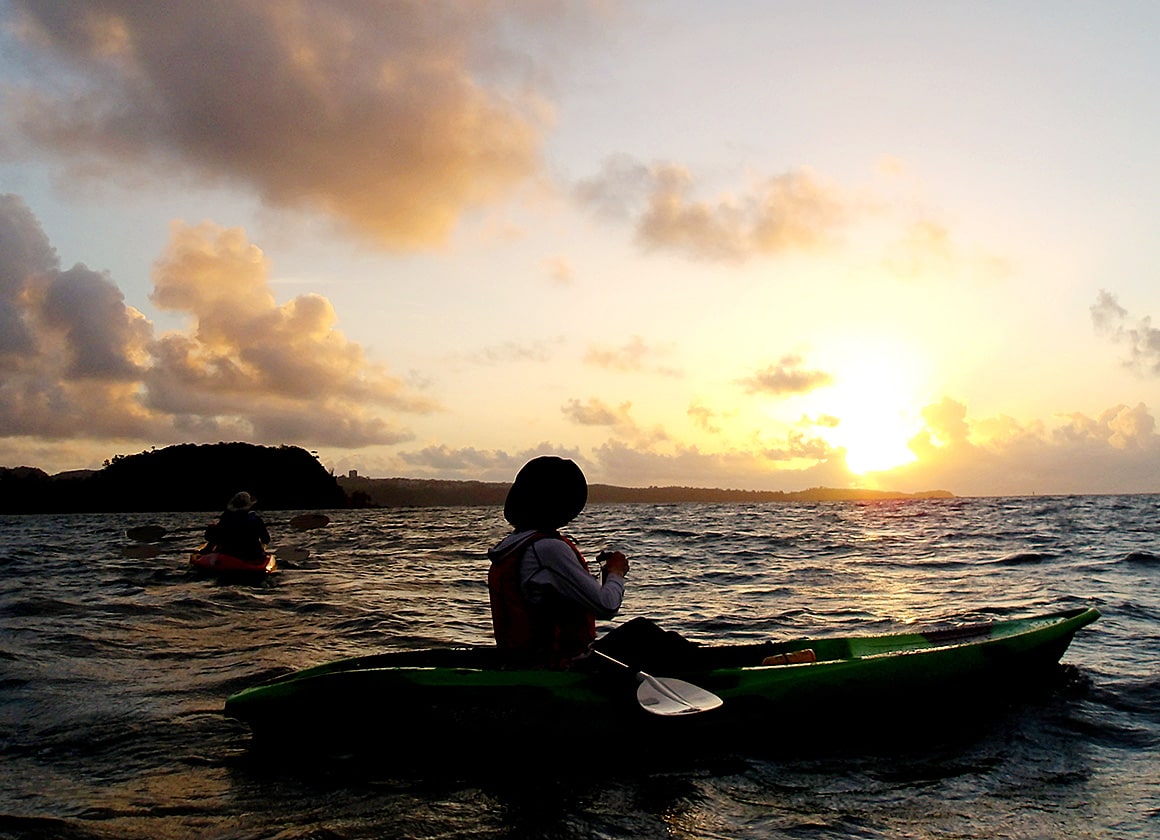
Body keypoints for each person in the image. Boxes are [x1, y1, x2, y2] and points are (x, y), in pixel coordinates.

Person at [488, 456, 629, 669]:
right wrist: (616, 573)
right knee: (644, 633)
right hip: (560, 664)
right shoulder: (548, 548)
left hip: (523, 661)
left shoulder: (513, 544)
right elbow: (606, 606)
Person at [205, 491, 271, 564]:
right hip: (251, 556)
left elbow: (214, 538)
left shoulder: (225, 518)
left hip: (228, 555)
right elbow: (266, 539)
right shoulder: (256, 520)